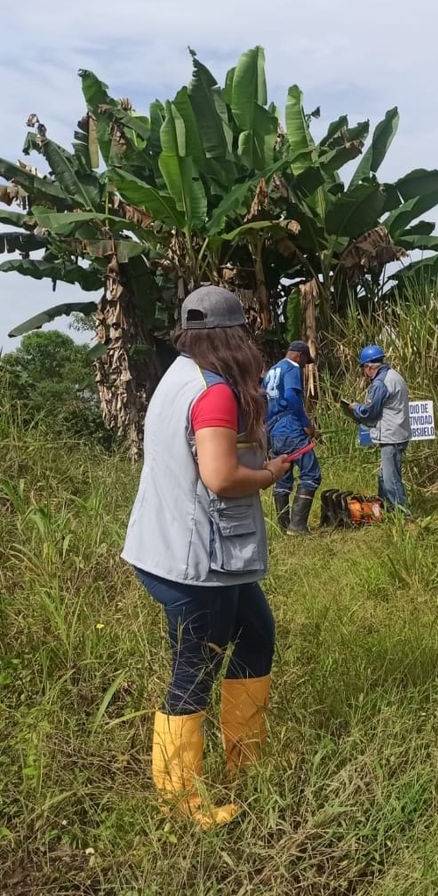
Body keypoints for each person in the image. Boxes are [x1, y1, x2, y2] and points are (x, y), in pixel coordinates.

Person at [122, 285, 291, 828]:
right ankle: (180, 802)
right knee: (195, 668)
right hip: (196, 560)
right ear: (233, 335)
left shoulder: (178, 375)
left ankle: (247, 766)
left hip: (181, 548)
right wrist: (270, 473)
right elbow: (221, 477)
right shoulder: (214, 391)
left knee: (256, 635)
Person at [344, 345, 412, 512]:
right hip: (399, 432)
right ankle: (383, 510)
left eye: (364, 368)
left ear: (369, 367)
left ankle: (403, 515)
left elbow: (370, 412)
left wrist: (354, 408)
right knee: (384, 475)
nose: (365, 372)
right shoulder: (395, 375)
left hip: (390, 436)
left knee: (390, 479)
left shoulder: (381, 383)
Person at [262, 340, 320, 534]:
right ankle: (297, 526)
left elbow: (262, 400)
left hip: (274, 429)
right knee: (311, 474)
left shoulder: (271, 371)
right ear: (299, 355)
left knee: (283, 475)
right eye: (305, 361)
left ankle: (283, 526)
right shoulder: (292, 367)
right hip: (290, 426)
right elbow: (291, 397)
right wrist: (306, 423)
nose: (304, 366)